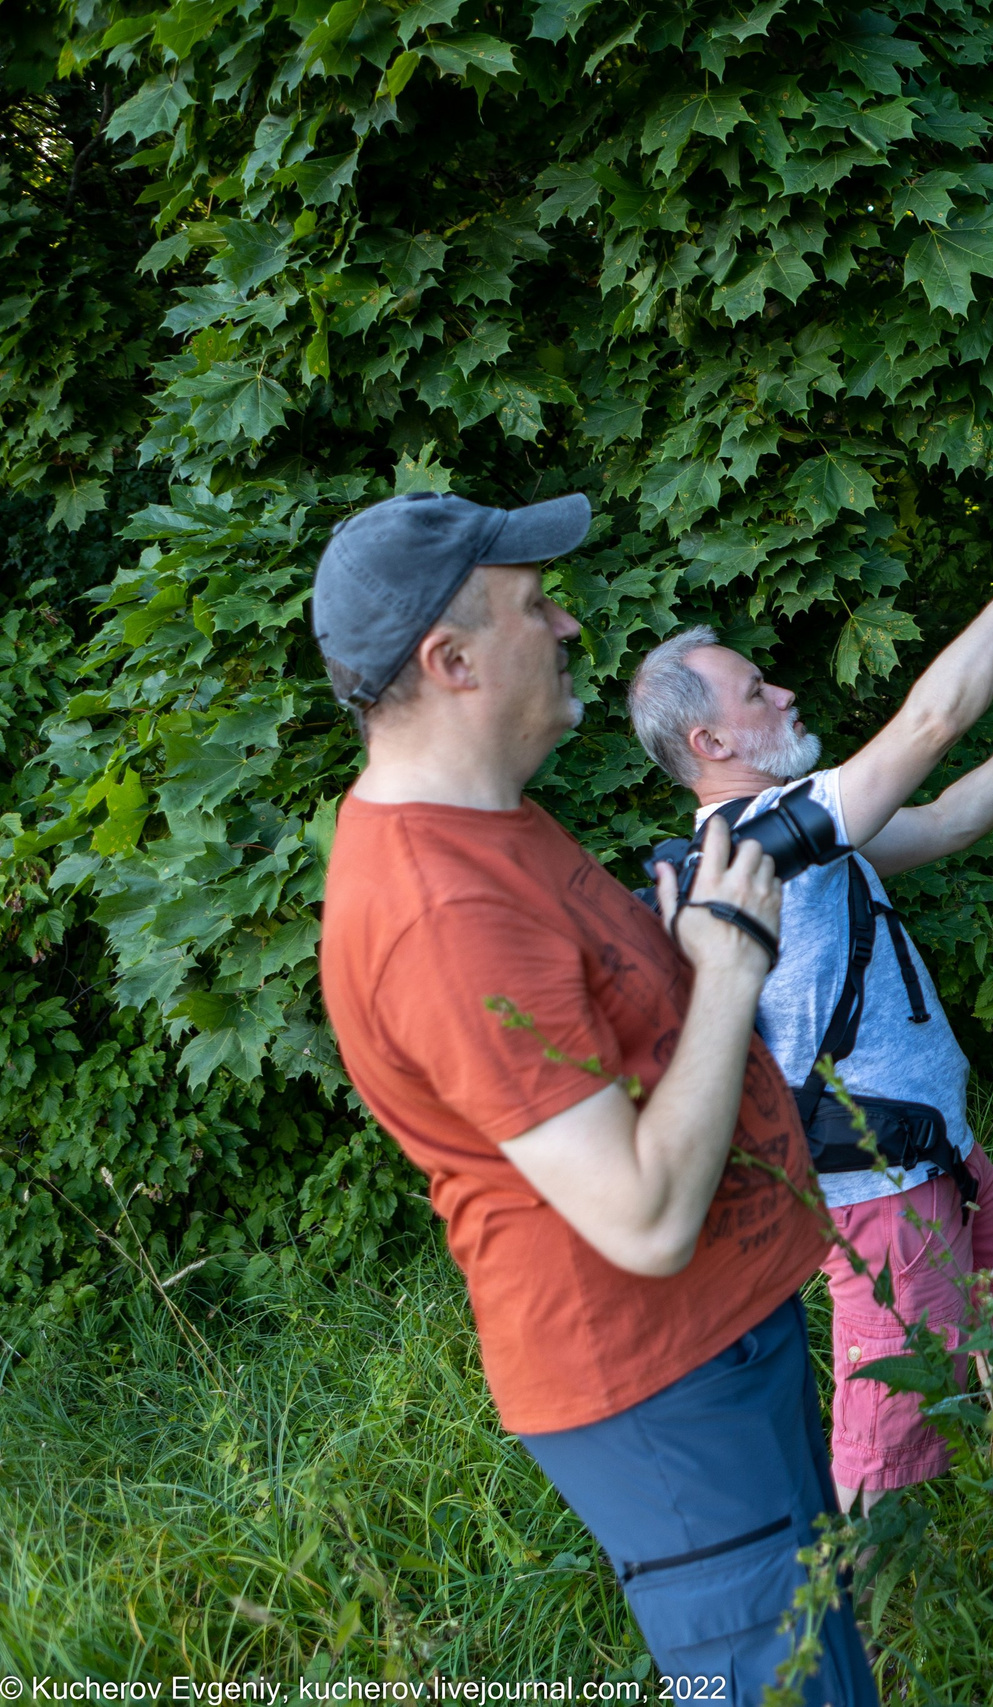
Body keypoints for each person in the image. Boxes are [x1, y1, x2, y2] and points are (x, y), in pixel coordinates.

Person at [311, 490, 874, 1706]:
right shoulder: (438, 912)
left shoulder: (491, 822)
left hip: (720, 1351)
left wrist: (675, 952)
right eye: (532, 606)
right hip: (654, 1385)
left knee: (822, 1663)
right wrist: (726, 967)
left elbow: (605, 1038)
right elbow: (643, 1217)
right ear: (450, 661)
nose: (569, 624)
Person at [625, 543, 993, 1516]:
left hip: (936, 1151)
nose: (783, 692)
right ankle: (865, 1632)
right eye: (754, 690)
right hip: (875, 1188)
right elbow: (929, 723)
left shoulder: (805, 841)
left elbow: (953, 818)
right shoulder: (755, 843)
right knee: (889, 1442)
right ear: (707, 742)